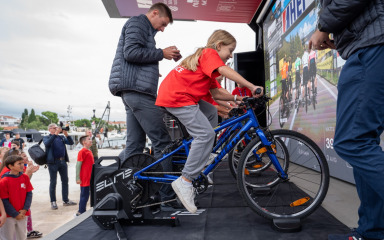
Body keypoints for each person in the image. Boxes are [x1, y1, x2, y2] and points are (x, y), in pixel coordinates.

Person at [155, 29, 263, 213]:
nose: (230, 56)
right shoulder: (209, 53)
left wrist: (238, 99)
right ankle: (185, 181)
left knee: (211, 111)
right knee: (204, 134)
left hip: (180, 95)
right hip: (178, 97)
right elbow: (223, 69)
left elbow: (216, 93)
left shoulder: (205, 62)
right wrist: (251, 86)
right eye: (230, 50)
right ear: (219, 45)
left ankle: (205, 154)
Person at [309, 1, 384, 240]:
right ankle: (372, 231)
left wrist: (323, 26)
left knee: (352, 141)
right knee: (363, 142)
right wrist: (340, 40)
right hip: (369, 45)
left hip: (371, 47)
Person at [108, 2, 184, 211]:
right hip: (138, 94)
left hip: (132, 91)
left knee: (134, 146)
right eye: (163, 23)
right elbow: (131, 52)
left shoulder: (143, 29)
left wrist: (152, 70)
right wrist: (161, 53)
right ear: (155, 13)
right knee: (163, 143)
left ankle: (126, 194)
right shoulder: (138, 23)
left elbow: (134, 58)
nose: (162, 28)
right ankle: (167, 198)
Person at [43, 123, 76, 210]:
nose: (57, 129)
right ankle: (53, 201)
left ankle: (66, 200)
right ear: (50, 129)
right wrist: (56, 133)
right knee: (53, 182)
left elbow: (71, 143)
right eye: (54, 128)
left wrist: (66, 134)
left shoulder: (61, 137)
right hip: (53, 162)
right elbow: (47, 144)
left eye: (57, 128)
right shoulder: (46, 137)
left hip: (63, 161)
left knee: (65, 181)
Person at [0, 155, 33, 240]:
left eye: (22, 163)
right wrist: (15, 214)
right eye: (19, 163)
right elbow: (4, 200)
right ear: (10, 166)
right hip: (9, 216)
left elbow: (29, 193)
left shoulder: (24, 177)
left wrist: (25, 209)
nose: (22, 165)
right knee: (8, 237)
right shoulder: (4, 181)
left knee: (22, 236)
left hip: (22, 213)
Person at [75, 136, 94, 216]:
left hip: (90, 176)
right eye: (89, 139)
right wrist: (77, 177)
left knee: (89, 194)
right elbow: (78, 165)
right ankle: (81, 211)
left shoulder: (89, 151)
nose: (91, 140)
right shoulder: (82, 152)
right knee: (84, 195)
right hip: (85, 177)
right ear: (84, 142)